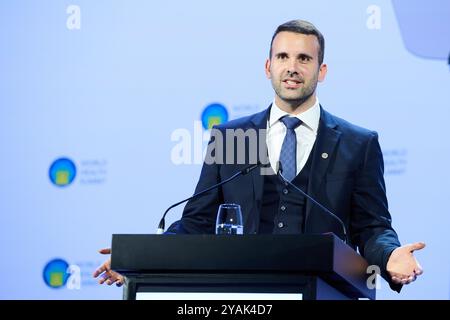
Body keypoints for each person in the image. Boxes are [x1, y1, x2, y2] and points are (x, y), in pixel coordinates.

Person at [93, 19, 424, 291]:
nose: (291, 68)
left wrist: (390, 254)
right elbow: (197, 221)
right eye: (282, 57)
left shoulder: (358, 143)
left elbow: (372, 226)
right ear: (268, 67)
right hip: (241, 292)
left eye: (304, 59)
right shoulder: (233, 137)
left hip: (324, 290)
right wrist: (140, 259)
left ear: (321, 71)